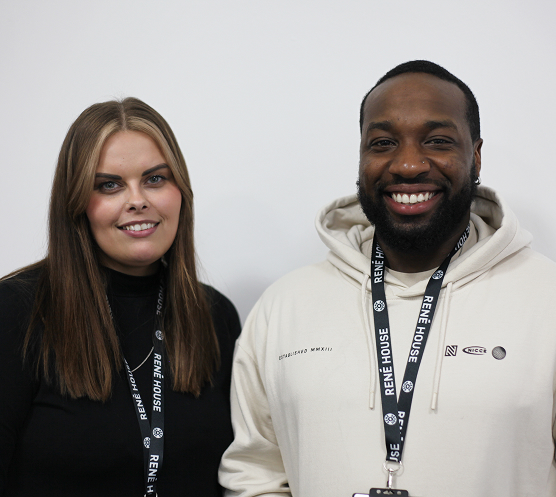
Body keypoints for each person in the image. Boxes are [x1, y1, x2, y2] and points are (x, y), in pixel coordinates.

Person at [219, 60, 556, 497]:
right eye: (383, 143)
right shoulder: (284, 306)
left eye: (437, 141)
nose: (409, 165)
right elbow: (255, 475)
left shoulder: (546, 298)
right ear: (361, 157)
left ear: (475, 156)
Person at [0, 97, 241, 496]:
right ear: (76, 203)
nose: (137, 200)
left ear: (181, 191)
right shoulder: (15, 312)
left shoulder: (215, 316)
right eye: (109, 185)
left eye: (155, 179)